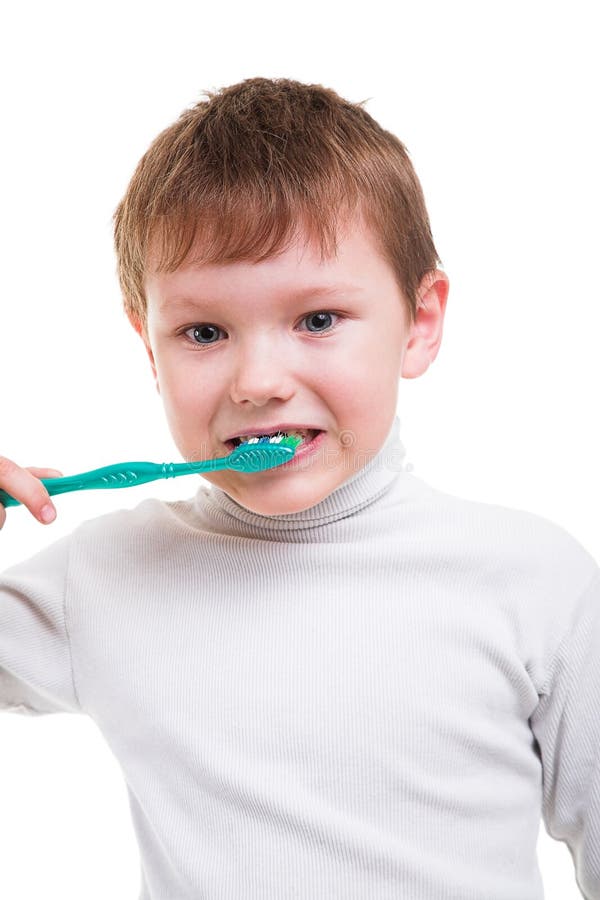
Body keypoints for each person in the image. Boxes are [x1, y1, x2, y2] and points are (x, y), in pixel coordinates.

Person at [1, 76, 598, 900]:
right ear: (149, 348)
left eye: (317, 320)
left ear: (419, 323)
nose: (259, 380)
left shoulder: (538, 580)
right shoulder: (102, 576)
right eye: (203, 332)